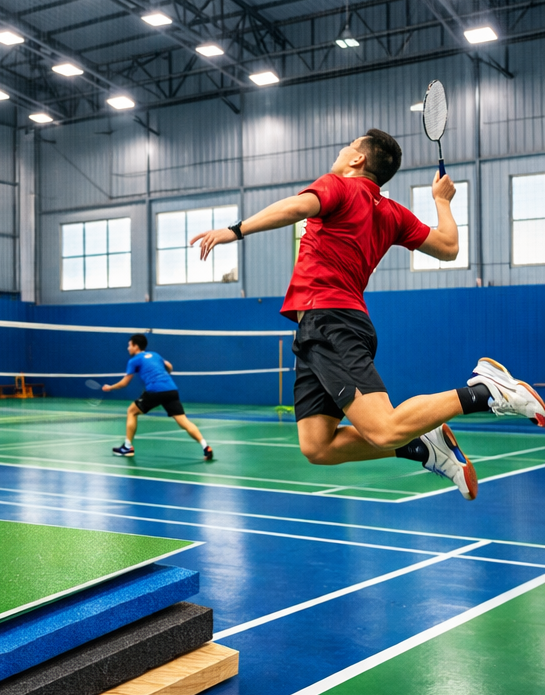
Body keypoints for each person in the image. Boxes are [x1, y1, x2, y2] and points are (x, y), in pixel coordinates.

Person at [191, 129, 544, 501]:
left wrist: (235, 230)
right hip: (321, 327)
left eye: (348, 146)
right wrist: (442, 201)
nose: (342, 151)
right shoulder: (391, 212)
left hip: (331, 320)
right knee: (317, 446)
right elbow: (448, 247)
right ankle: (420, 447)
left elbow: (296, 208)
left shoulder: (339, 187)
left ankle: (484, 391)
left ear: (358, 159)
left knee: (383, 427)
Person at [103, 334, 214, 460]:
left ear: (135, 346)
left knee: (131, 411)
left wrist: (110, 387)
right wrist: (163, 376)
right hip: (171, 389)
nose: (128, 348)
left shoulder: (134, 360)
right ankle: (205, 447)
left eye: (129, 345)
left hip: (155, 391)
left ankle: (127, 447)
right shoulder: (155, 355)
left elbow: (125, 383)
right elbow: (169, 366)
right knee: (184, 422)